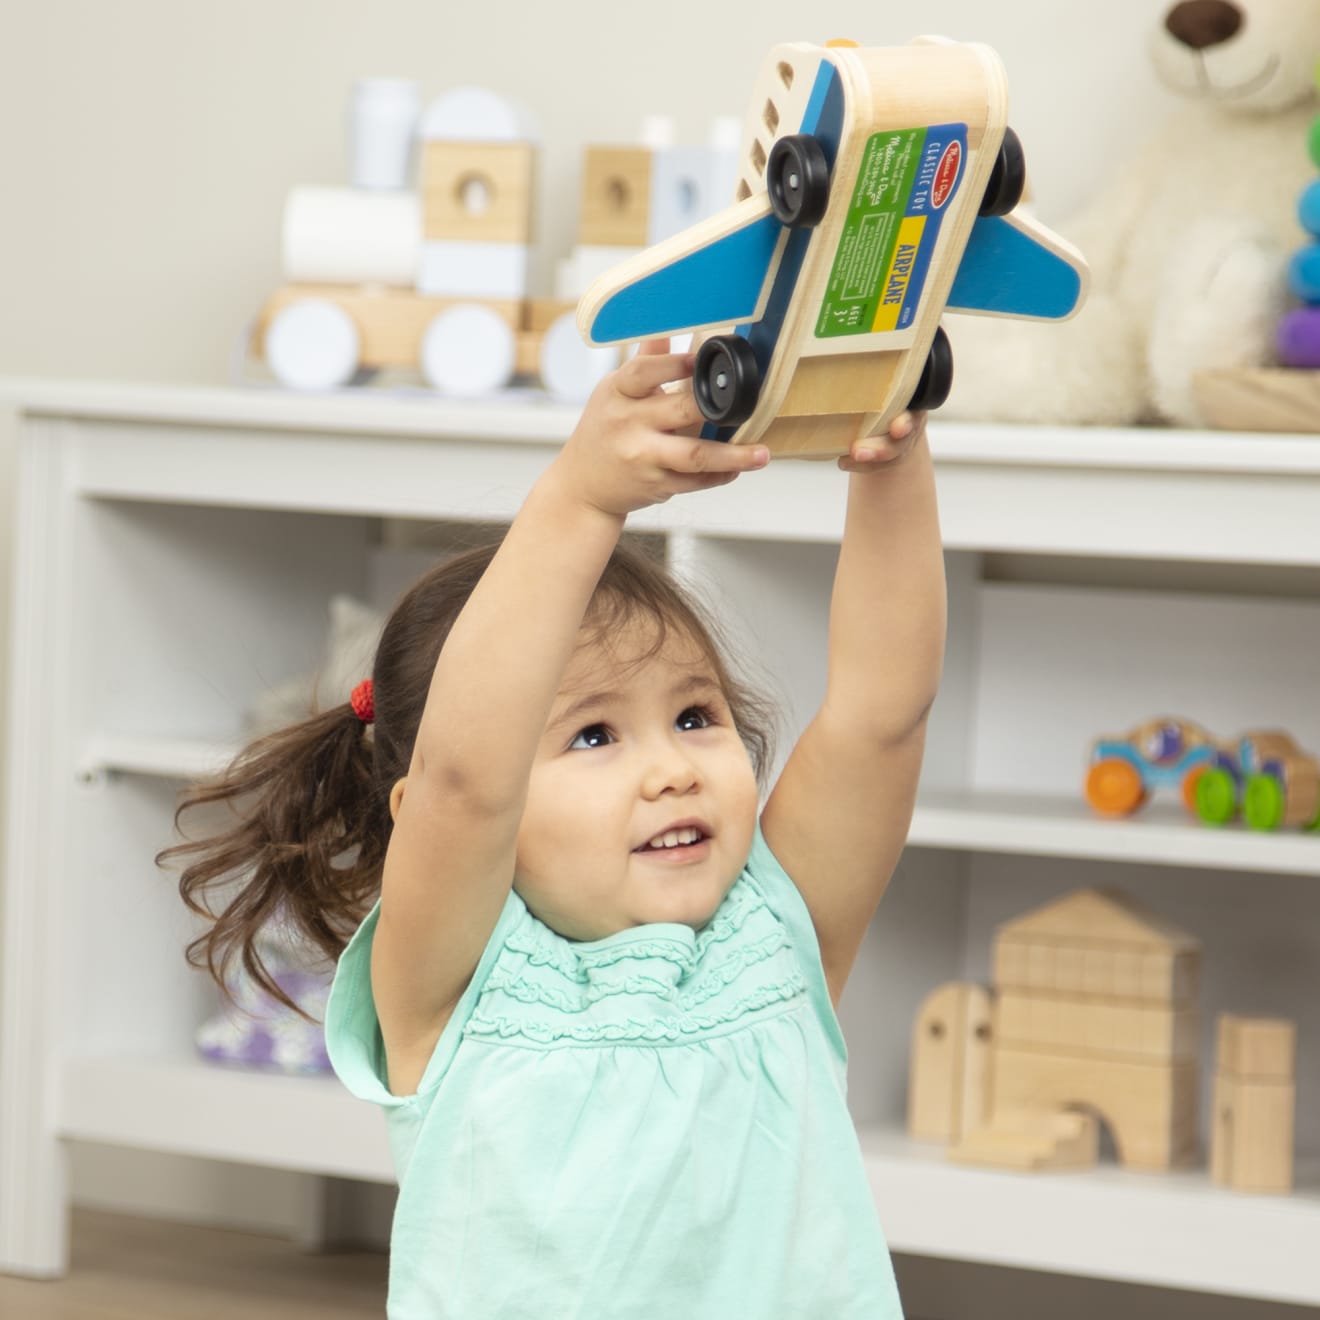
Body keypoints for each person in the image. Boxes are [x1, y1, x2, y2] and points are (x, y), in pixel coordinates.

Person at [163, 339, 946, 1318]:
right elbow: (466, 781)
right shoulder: (451, 983)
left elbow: (883, 713)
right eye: (593, 735)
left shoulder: (774, 937)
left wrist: (894, 461)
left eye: (696, 717)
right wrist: (581, 500)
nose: (672, 768)